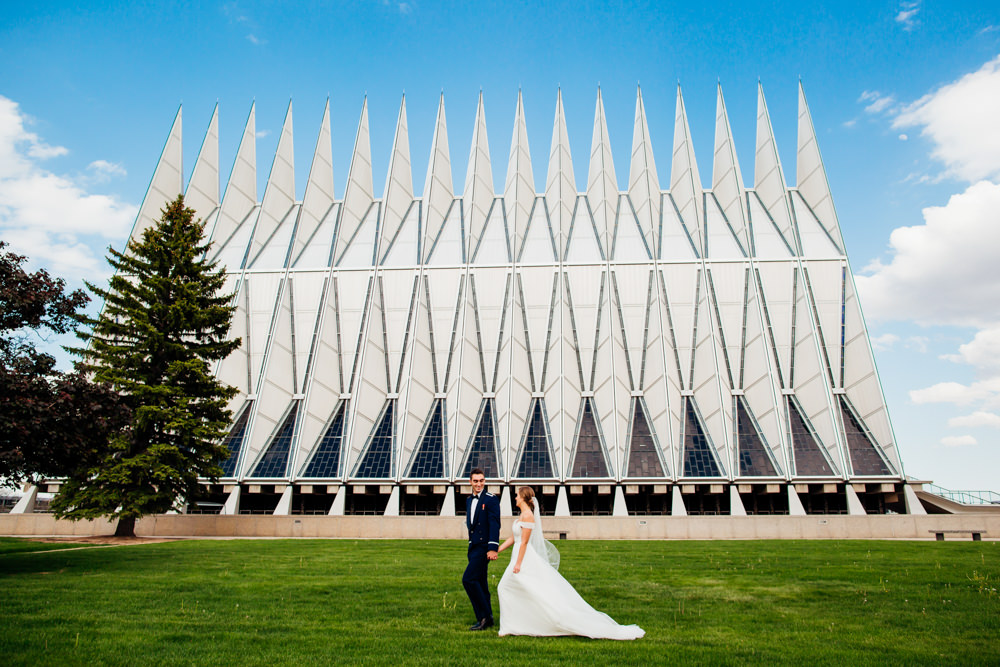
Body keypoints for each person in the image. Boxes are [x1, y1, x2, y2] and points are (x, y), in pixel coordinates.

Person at [496, 486, 645, 640]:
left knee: (510, 588)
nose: (515, 498)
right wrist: (498, 549)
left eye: (517, 496)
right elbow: (514, 538)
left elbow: (524, 543)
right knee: (514, 589)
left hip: (524, 558)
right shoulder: (521, 515)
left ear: (523, 498)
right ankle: (515, 624)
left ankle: (516, 625)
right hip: (518, 556)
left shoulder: (528, 516)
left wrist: (519, 563)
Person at [462, 468, 500, 631]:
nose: (479, 484)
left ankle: (483, 616)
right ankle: (489, 617)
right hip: (473, 546)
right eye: (476, 481)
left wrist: (492, 548)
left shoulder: (491, 500)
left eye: (482, 480)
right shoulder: (469, 500)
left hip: (484, 547)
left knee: (468, 579)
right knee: (480, 582)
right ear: (470, 482)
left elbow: (494, 524)